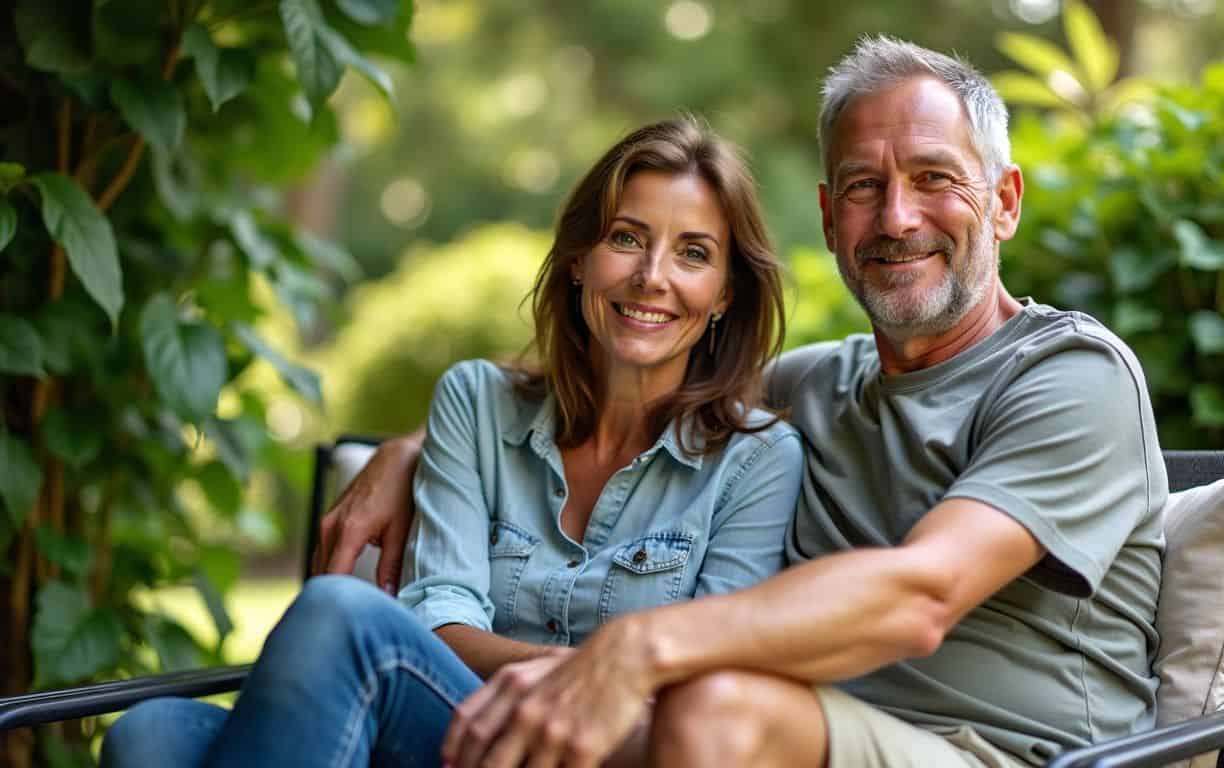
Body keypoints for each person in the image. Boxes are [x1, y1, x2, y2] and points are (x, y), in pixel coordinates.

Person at [314, 36, 1168, 768]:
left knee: (713, 704)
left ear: (1005, 201)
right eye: (864, 187)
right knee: (173, 733)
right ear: (831, 220)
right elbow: (628, 377)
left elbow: (922, 595)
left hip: (1012, 753)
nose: (898, 216)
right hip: (815, 737)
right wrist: (415, 449)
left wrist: (640, 649)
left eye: (935, 177)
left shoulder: (1069, 376)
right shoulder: (815, 386)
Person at [99, 116, 804, 768]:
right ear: (577, 260)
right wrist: (596, 669)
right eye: (626, 237)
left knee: (338, 615)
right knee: (149, 735)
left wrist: (585, 681)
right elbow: (439, 619)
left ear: (725, 295)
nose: (652, 276)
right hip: (445, 731)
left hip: (601, 752)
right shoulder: (475, 402)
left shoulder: (758, 461)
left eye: (693, 253)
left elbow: (697, 684)